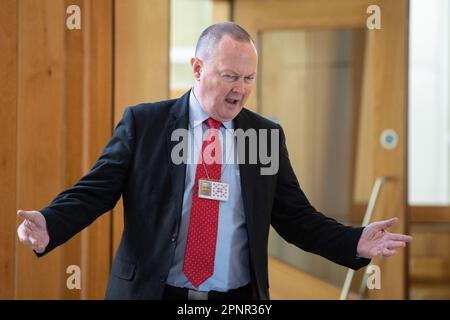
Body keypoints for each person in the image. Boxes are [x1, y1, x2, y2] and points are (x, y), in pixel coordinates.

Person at [17, 22, 412, 300]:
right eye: (229, 76)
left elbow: (296, 219)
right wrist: (51, 221)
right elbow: (96, 191)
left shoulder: (265, 135)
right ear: (197, 68)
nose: (241, 89)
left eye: (249, 78)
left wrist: (354, 241)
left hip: (236, 296)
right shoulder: (146, 124)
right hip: (156, 293)